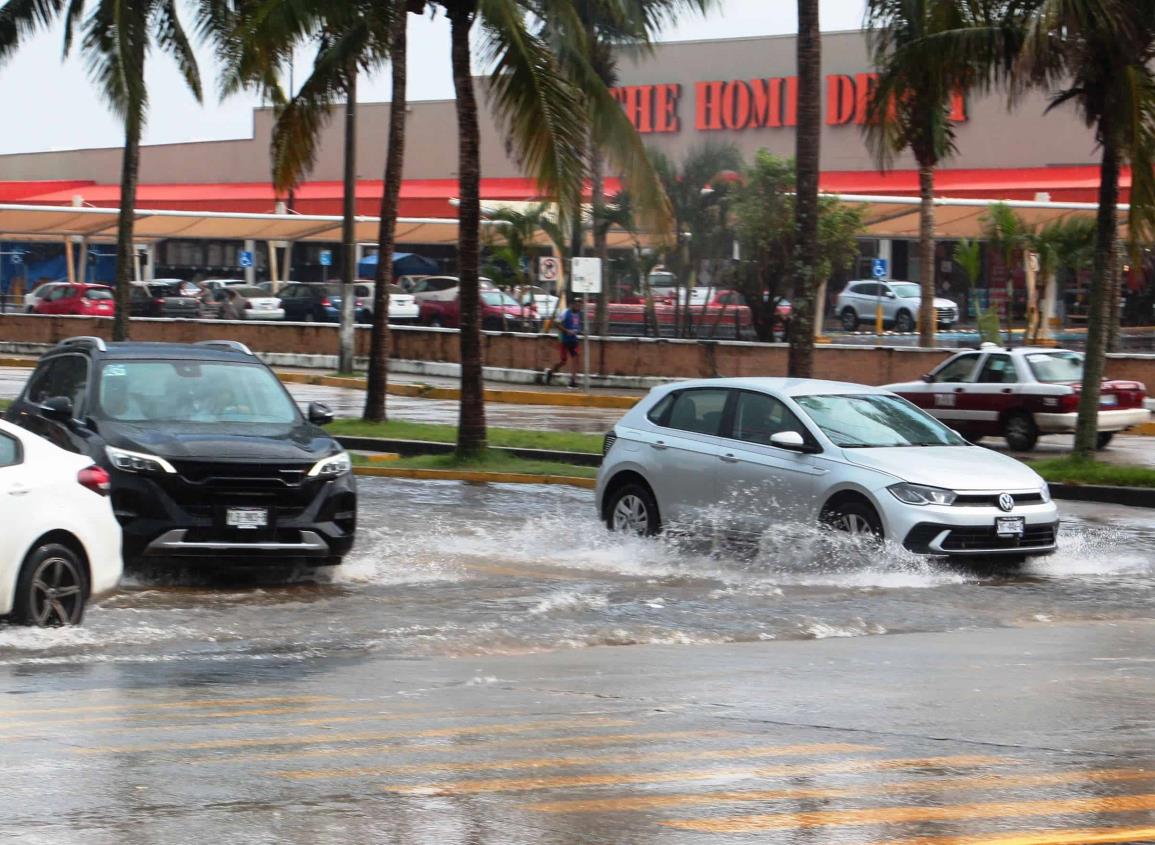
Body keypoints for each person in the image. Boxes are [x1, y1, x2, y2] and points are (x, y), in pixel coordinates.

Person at [544, 296, 583, 388]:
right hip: (564, 340)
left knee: (576, 359)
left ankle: (573, 381)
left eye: (580, 305)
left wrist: (580, 331)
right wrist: (566, 331)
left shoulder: (578, 314)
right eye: (577, 305)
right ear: (572, 305)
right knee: (563, 361)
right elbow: (556, 323)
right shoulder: (565, 312)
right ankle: (551, 372)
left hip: (574, 340)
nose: (578, 307)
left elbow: (576, 326)